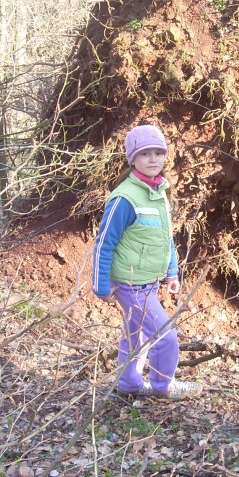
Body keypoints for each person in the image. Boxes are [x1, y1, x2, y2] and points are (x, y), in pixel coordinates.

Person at [92, 124, 203, 399]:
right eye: (144, 154)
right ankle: (164, 387)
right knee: (165, 337)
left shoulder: (159, 193)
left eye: (158, 152)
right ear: (133, 159)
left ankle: (129, 385)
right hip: (130, 283)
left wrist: (172, 272)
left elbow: (165, 237)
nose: (153, 159)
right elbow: (104, 244)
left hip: (148, 281)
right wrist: (101, 286)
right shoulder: (124, 198)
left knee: (136, 335)